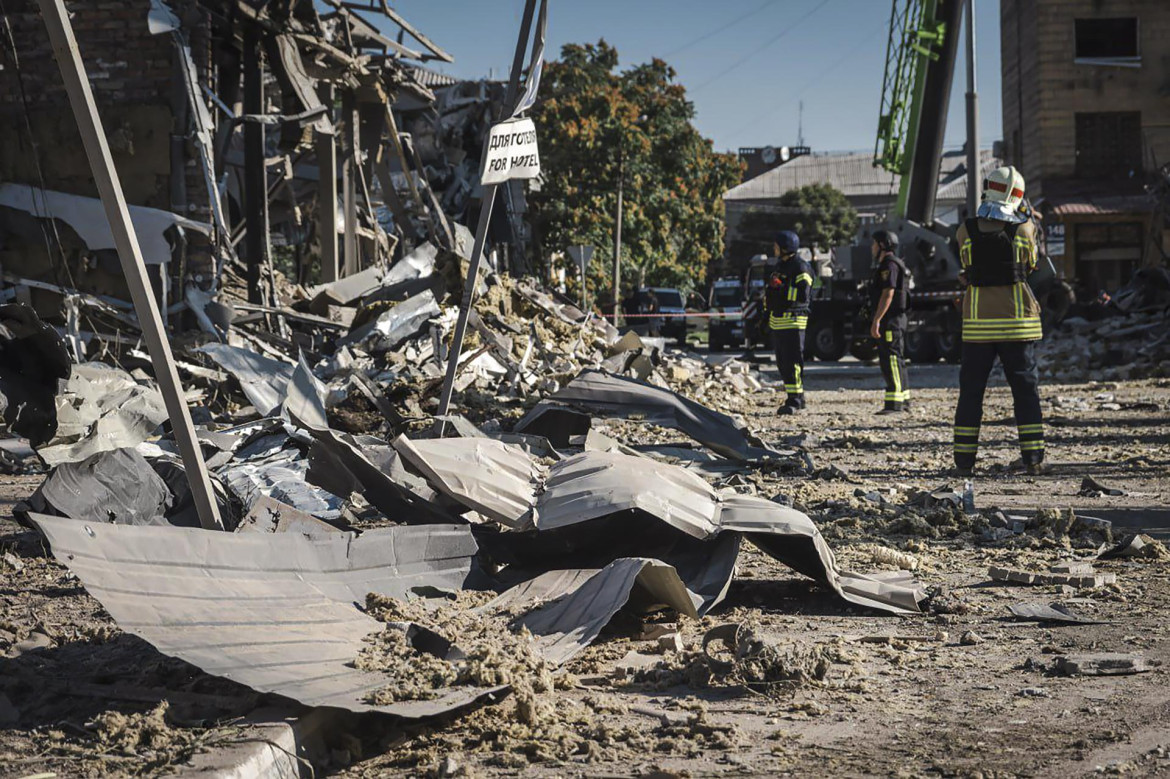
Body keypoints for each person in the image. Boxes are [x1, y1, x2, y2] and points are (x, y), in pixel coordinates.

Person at [953, 165, 1045, 475]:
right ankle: (1033, 459)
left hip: (978, 325)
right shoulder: (1025, 229)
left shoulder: (965, 230)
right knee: (1025, 391)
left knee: (971, 392)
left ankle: (964, 463)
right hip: (1018, 323)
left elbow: (966, 266)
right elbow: (1032, 264)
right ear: (1018, 196)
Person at [765, 230, 813, 414]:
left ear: (785, 247)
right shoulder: (780, 266)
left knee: (793, 362)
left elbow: (803, 294)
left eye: (776, 245)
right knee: (783, 363)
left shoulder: (800, 267)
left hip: (793, 321)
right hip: (778, 321)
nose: (774, 248)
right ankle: (794, 397)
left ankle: (796, 400)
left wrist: (781, 289)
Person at [869, 230, 911, 414]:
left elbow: (888, 293)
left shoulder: (889, 265)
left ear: (882, 245)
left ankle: (894, 404)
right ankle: (904, 400)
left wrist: (877, 319)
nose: (872, 248)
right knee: (897, 359)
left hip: (891, 320)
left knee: (891, 359)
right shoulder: (894, 263)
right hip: (896, 318)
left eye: (874, 244)